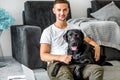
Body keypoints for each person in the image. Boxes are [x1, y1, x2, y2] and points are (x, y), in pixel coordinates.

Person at [40, 0, 104, 80]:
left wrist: (97, 46)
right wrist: (60, 57)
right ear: (54, 11)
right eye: (59, 10)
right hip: (57, 64)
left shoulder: (76, 27)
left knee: (97, 70)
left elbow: (89, 41)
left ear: (68, 10)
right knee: (66, 75)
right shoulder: (48, 31)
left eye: (65, 10)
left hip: (77, 62)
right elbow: (43, 56)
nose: (62, 13)